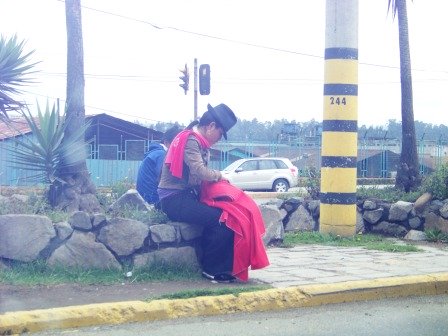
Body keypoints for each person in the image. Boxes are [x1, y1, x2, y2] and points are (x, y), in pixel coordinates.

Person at [157, 103, 239, 283]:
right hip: (174, 199)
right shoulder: (191, 141)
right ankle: (212, 270)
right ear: (211, 127)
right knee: (221, 220)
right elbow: (199, 172)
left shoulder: (197, 142)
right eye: (220, 133)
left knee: (228, 215)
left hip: (185, 196)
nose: (219, 138)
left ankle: (225, 267)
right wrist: (221, 175)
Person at [136, 125, 180, 208]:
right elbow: (166, 181)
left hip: (145, 198)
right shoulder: (162, 155)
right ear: (166, 142)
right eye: (177, 144)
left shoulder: (155, 153)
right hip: (152, 201)